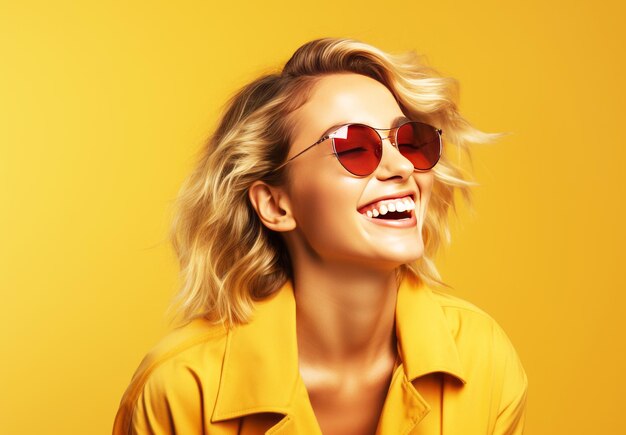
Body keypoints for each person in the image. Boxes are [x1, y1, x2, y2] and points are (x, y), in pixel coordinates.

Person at [113, 37, 528, 435]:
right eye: (352, 147)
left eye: (410, 141)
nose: (401, 166)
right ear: (276, 205)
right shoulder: (181, 389)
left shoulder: (483, 359)